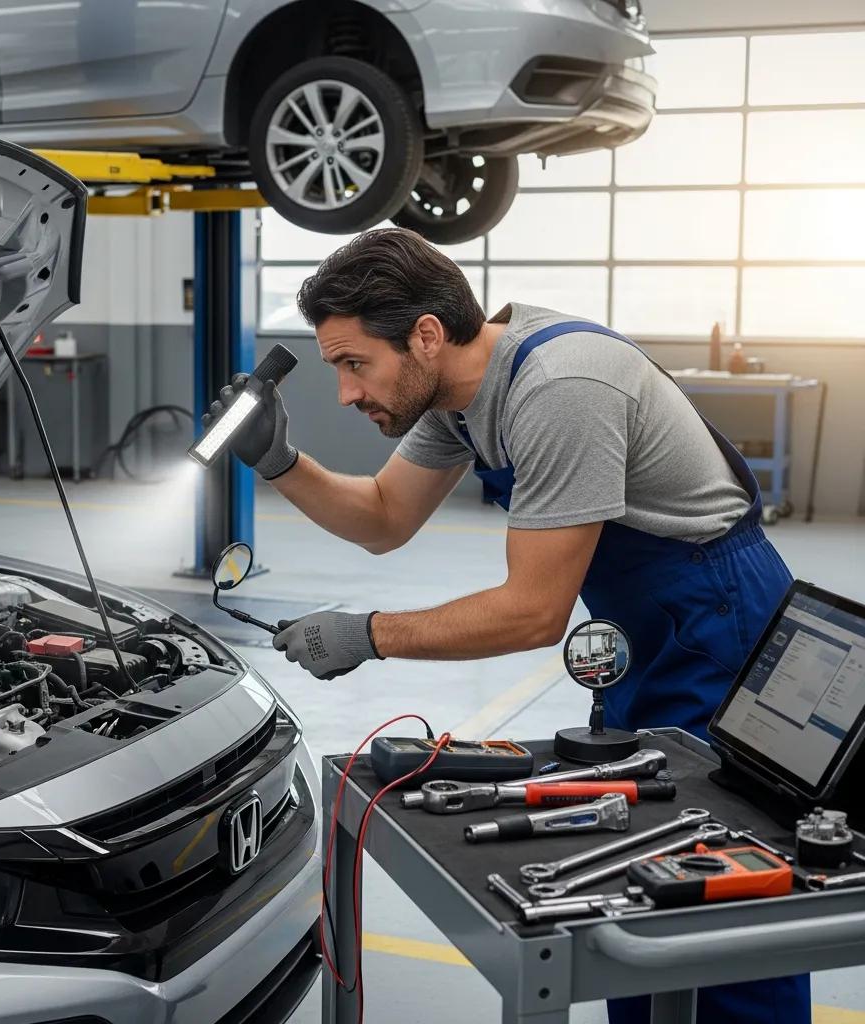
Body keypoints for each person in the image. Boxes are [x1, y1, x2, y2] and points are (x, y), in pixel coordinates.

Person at [203, 228, 806, 1024]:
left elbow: (533, 611)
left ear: (424, 334)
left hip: (721, 625)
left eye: (355, 364)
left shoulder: (560, 388)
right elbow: (385, 517)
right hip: (650, 634)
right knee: (643, 898)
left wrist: (368, 634)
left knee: (722, 899)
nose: (346, 393)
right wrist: (279, 461)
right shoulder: (461, 394)